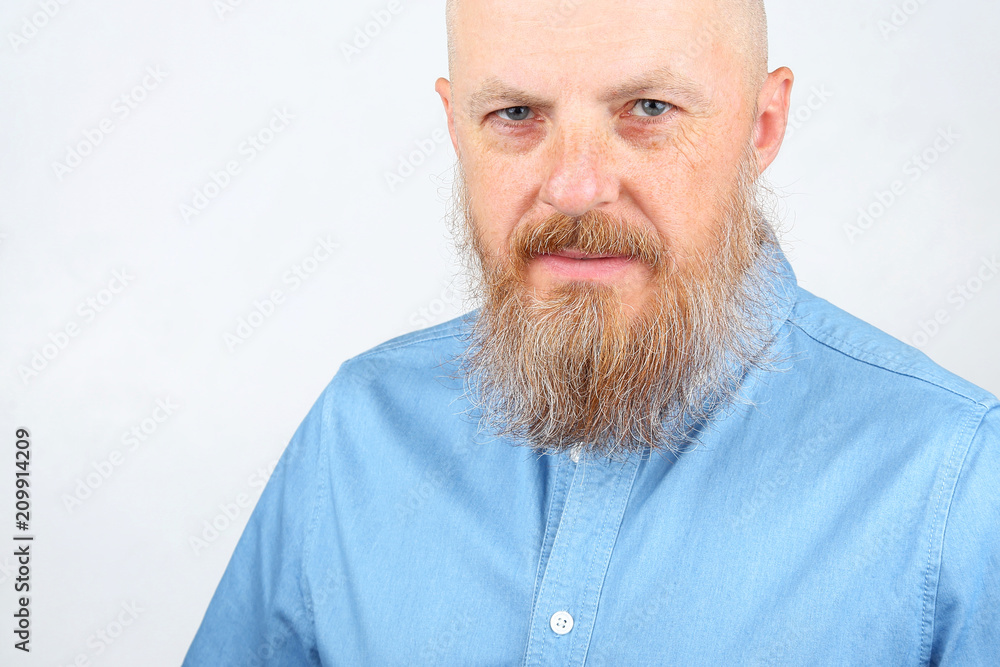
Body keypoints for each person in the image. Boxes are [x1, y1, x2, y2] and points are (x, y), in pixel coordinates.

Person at [184, 0, 1000, 663]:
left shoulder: (957, 482)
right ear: (455, 127)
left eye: (649, 109)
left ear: (763, 124)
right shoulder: (358, 431)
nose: (575, 188)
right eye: (514, 113)